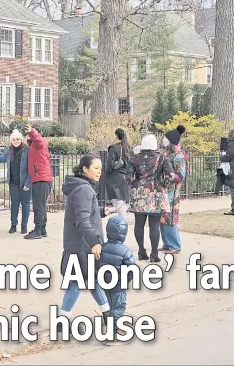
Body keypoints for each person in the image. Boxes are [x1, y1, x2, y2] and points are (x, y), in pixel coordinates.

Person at [58, 154, 110, 334]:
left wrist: (101, 211)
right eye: (96, 168)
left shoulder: (82, 187)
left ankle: (107, 313)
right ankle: (62, 322)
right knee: (77, 282)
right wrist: (95, 241)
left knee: (93, 279)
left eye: (101, 169)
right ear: (85, 169)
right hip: (82, 245)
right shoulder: (84, 190)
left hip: (80, 243)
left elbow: (83, 213)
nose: (99, 172)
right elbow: (81, 220)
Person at [126, 134, 174, 263]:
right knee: (154, 225)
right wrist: (164, 184)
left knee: (139, 224)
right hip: (156, 193)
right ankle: (154, 253)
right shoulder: (162, 158)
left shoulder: (134, 159)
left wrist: (136, 185)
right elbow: (171, 175)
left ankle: (141, 251)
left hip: (140, 194)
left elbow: (129, 178)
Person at [96, 215, 135, 345]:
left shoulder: (102, 247)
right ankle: (113, 334)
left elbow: (96, 265)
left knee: (110, 306)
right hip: (119, 286)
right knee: (118, 308)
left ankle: (111, 328)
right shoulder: (126, 252)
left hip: (105, 284)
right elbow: (131, 270)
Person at [0, 129, 31, 234]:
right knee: (14, 204)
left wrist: (27, 183)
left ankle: (24, 226)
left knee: (25, 204)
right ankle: (13, 225)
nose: (16, 141)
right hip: (13, 183)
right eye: (14, 139)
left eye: (18, 139)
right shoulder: (9, 150)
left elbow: (31, 168)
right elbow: (1, 158)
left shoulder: (26, 150)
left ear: (21, 140)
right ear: (11, 141)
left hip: (25, 182)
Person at [160, 126, 188, 254]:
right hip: (164, 192)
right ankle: (167, 244)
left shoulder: (179, 156)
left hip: (172, 193)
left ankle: (174, 246)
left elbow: (180, 176)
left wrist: (170, 175)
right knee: (163, 218)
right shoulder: (167, 153)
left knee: (170, 219)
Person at [23, 124, 53, 240]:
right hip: (40, 178)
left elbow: (38, 140)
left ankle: (38, 230)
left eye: (27, 136)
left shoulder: (39, 143)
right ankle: (42, 229)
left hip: (42, 179)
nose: (26, 138)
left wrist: (32, 131)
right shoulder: (33, 146)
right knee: (41, 206)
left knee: (38, 206)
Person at [104, 128, 131, 219]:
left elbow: (110, 163)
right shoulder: (129, 148)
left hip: (114, 176)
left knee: (117, 199)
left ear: (116, 135)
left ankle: (121, 220)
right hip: (125, 175)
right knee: (122, 199)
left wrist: (106, 172)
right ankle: (122, 219)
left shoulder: (113, 148)